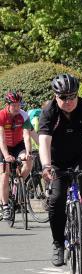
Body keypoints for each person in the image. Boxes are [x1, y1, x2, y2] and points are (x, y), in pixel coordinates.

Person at [38, 74, 82, 266]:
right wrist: (46, 165)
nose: (69, 101)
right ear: (56, 96)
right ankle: (58, 244)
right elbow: (44, 142)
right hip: (56, 160)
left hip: (80, 155)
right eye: (63, 97)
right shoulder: (49, 111)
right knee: (56, 200)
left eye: (72, 96)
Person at [0, 91, 34, 223]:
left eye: (19, 105)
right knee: (4, 173)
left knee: (29, 160)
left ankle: (18, 183)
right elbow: (1, 138)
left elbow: (27, 135)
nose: (17, 107)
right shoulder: (2, 115)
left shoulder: (23, 116)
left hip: (17, 144)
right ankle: (5, 205)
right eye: (14, 105)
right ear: (7, 105)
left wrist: (28, 152)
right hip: (3, 146)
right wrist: (6, 155)